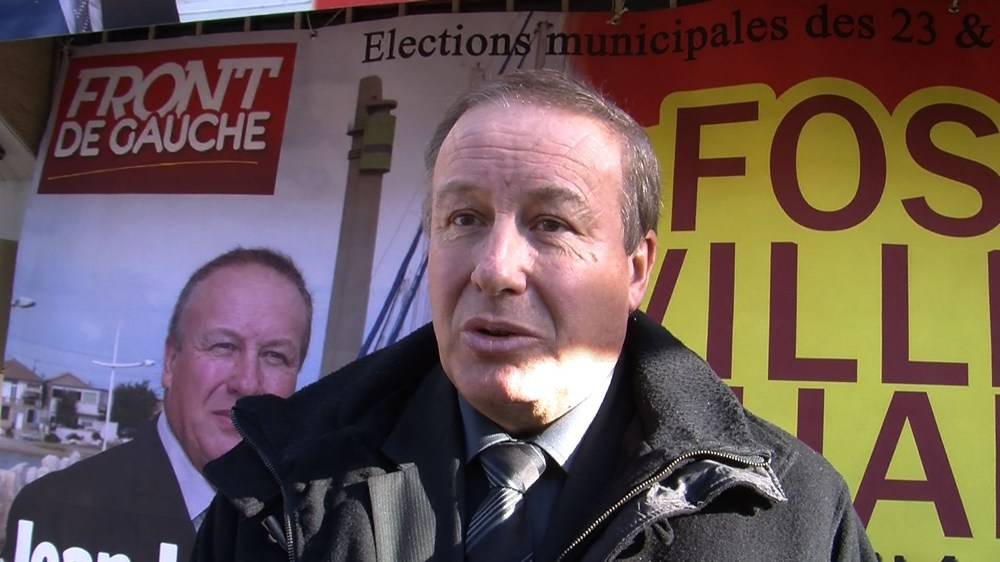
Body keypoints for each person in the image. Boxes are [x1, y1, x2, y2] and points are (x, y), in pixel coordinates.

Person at [194, 70, 876, 561]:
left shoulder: (795, 517)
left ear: (635, 268)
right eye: (464, 218)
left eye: (551, 224)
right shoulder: (273, 492)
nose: (494, 268)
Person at [1, 247, 312, 562]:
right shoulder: (57, 514)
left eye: (274, 356)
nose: (246, 383)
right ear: (170, 361)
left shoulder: (320, 531)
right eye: (223, 346)